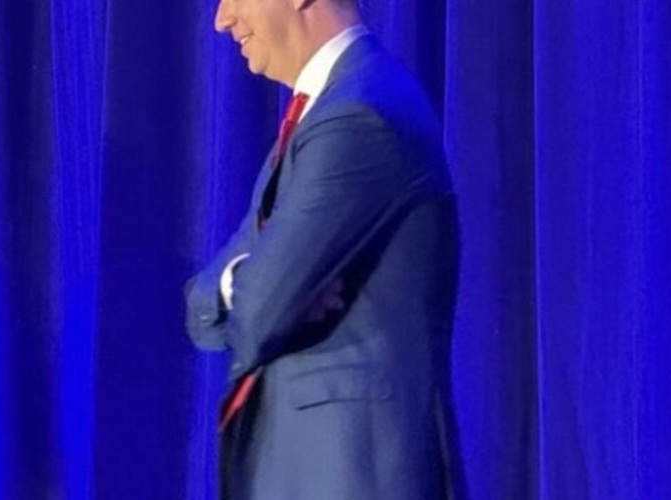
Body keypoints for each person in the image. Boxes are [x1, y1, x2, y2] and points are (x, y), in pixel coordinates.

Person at [186, 0, 463, 497]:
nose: (222, 19)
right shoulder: (322, 114)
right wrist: (248, 278)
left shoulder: (361, 116)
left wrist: (267, 282)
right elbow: (204, 307)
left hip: (351, 476)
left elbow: (261, 310)